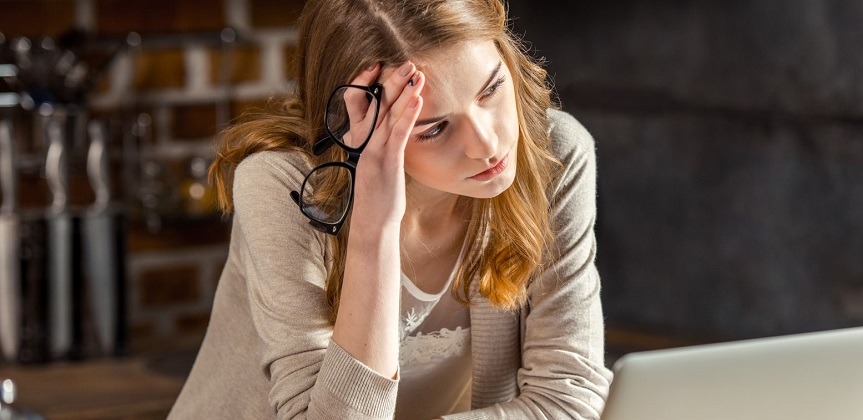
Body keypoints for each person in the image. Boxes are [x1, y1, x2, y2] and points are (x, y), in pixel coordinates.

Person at [168, 0, 611, 418]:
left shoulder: (552, 155)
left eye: (491, 88)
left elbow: (567, 396)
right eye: (434, 128)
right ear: (355, 124)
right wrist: (373, 227)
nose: (488, 144)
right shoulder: (280, 188)